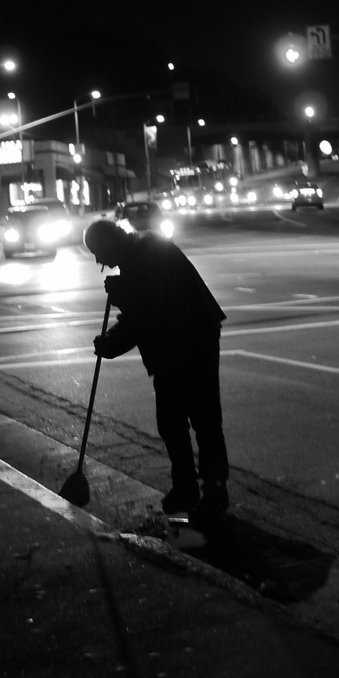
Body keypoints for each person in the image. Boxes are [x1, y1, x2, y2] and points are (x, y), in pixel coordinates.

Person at [83, 219, 230, 519]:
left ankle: (213, 491)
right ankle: (187, 487)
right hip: (173, 347)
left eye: (98, 252)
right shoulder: (135, 255)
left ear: (111, 242)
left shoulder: (148, 250)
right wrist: (111, 341)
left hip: (192, 341)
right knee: (172, 422)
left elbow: (154, 304)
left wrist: (122, 294)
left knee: (203, 417)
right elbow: (141, 315)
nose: (99, 261)